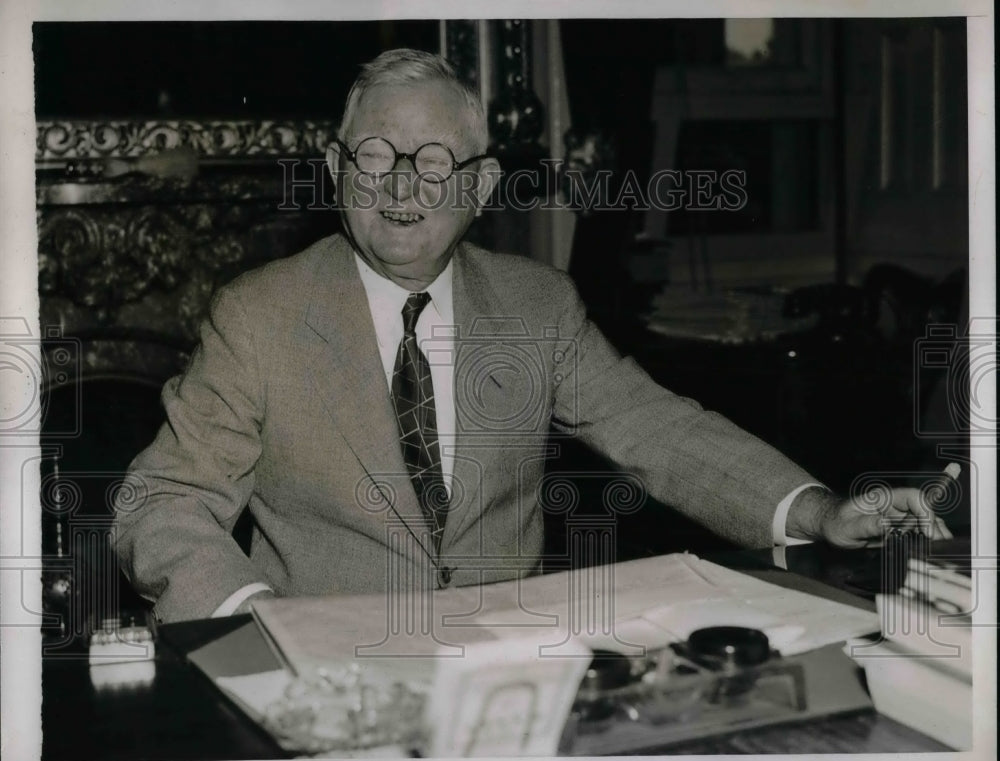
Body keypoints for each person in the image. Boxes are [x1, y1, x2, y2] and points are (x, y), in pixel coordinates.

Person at [114, 48, 950, 623]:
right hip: (332, 685)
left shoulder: (537, 305)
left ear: (479, 187)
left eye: (436, 161)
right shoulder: (258, 315)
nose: (403, 185)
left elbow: (660, 431)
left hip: (508, 673)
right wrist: (258, 624)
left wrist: (820, 509)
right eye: (375, 155)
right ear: (338, 172)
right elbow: (162, 501)